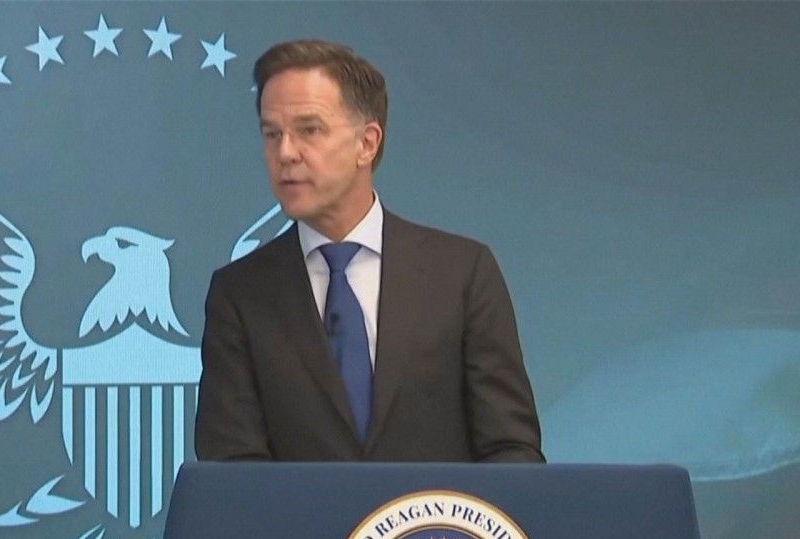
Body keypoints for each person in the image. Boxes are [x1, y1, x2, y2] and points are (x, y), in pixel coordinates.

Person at [195, 39, 543, 462]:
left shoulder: (462, 275)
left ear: (367, 143)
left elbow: (511, 451)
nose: (285, 153)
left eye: (309, 130)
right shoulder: (241, 294)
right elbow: (232, 469)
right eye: (272, 134)